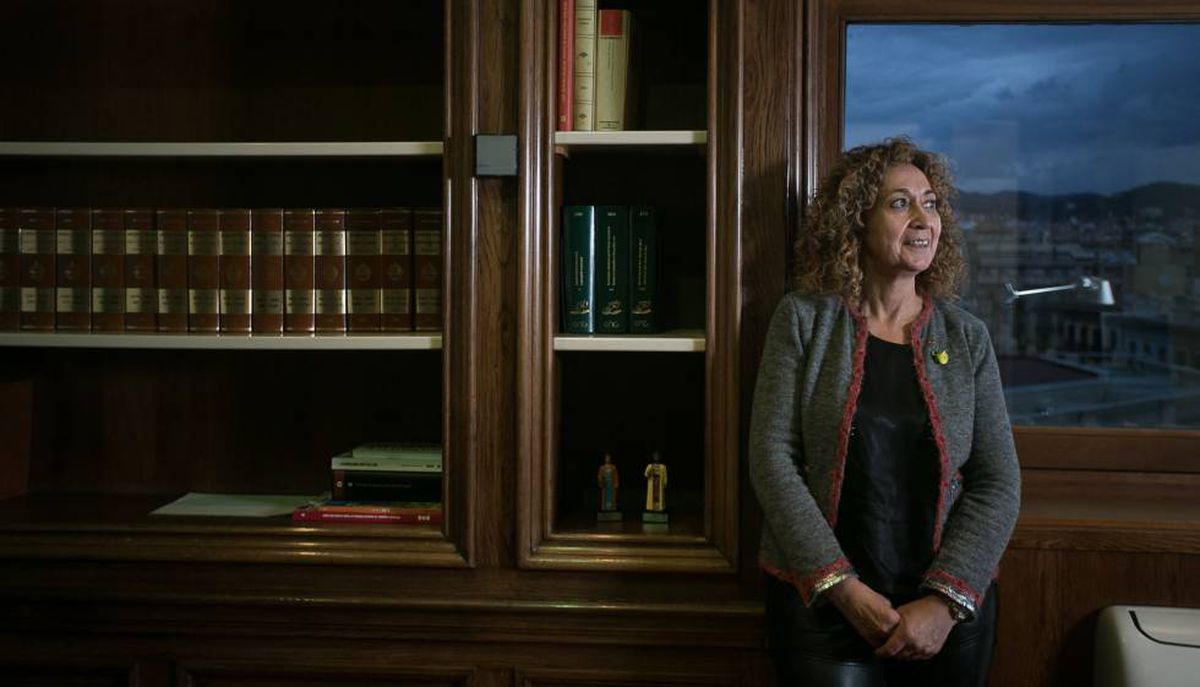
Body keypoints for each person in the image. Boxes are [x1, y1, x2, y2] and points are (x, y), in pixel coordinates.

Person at [748, 137, 1020, 686]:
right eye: (900, 203)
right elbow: (772, 459)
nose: (923, 219)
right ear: (856, 222)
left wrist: (944, 601)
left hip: (946, 620)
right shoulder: (803, 320)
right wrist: (842, 588)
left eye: (930, 204)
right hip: (822, 611)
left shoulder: (966, 337)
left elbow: (998, 480)